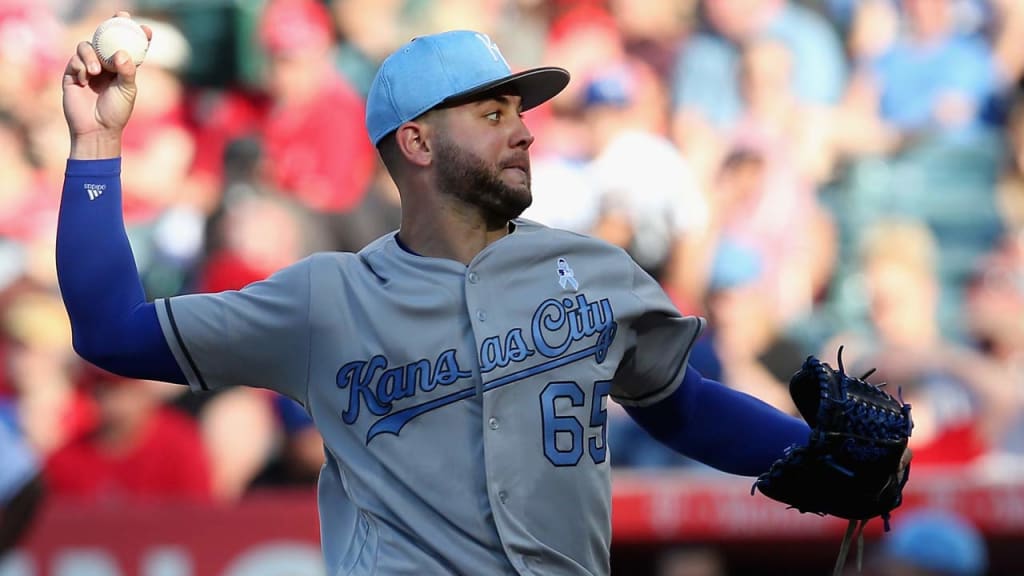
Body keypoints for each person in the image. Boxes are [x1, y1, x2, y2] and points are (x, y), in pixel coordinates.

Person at [57, 14, 903, 575]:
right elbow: (110, 331)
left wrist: (793, 449)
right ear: (417, 141)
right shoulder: (324, 300)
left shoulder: (596, 271)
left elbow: (675, 403)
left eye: (520, 111)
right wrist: (96, 141)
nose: (527, 127)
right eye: (493, 112)